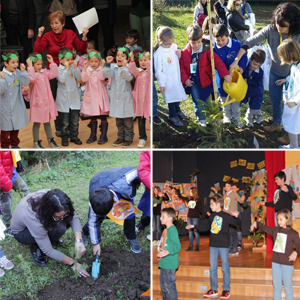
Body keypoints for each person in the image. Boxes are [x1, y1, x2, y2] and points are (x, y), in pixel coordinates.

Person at [229, 2, 300, 145]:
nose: (279, 28)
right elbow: (248, 42)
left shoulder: (298, 34)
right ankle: (277, 123)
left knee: (294, 107)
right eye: (277, 23)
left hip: (294, 75)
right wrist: (236, 61)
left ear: (292, 24)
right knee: (275, 100)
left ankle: (291, 135)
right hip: (276, 72)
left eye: (283, 25)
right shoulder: (271, 30)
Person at [11, 189, 89, 277]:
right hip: (23, 233)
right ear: (48, 212)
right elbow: (48, 250)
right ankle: (37, 247)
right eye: (58, 216)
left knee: (61, 225)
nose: (62, 218)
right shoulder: (33, 217)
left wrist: (79, 241)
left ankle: (48, 238)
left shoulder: (56, 198)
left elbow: (73, 218)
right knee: (58, 229)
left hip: (39, 223)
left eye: (64, 214)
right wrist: (72, 263)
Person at [34, 10, 88, 136]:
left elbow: (80, 48)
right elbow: (37, 51)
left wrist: (84, 36)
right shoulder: (47, 36)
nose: (54, 26)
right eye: (52, 23)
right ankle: (59, 127)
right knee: (55, 98)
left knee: (70, 97)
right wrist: (39, 35)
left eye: (56, 23)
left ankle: (70, 126)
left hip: (69, 70)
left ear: (63, 23)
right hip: (54, 71)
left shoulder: (70, 34)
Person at [186, 195, 240, 299]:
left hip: (223, 245)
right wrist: (194, 226)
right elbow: (207, 227)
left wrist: (236, 217)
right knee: (212, 268)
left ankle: (226, 289)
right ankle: (214, 289)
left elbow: (238, 225)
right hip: (213, 245)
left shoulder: (226, 216)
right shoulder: (212, 216)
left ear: (219, 204)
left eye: (212, 204)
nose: (210, 206)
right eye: (210, 204)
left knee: (225, 267)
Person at [82, 166, 142, 254]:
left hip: (119, 186)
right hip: (99, 182)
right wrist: (96, 244)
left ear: (114, 202)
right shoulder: (95, 201)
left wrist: (137, 182)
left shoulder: (125, 182)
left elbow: (135, 172)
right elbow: (93, 222)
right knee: (94, 219)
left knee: (129, 215)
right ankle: (85, 231)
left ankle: (131, 237)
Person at [180, 24, 231, 126]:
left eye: (199, 42)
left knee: (208, 99)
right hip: (192, 81)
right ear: (188, 39)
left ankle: (213, 117)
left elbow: (217, 62)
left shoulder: (207, 50)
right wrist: (185, 79)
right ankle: (201, 119)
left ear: (201, 38)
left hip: (205, 80)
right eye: (193, 43)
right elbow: (181, 67)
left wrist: (225, 74)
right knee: (197, 100)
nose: (196, 45)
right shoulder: (184, 53)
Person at [251, 209, 300, 300]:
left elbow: (299, 247)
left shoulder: (294, 233)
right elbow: (265, 227)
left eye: (281, 219)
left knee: (288, 287)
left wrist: (295, 252)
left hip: (287, 264)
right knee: (277, 287)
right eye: (277, 219)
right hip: (276, 263)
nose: (278, 222)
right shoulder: (276, 230)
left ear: (287, 219)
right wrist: (256, 223)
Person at [212, 24, 248, 127]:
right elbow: (215, 64)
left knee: (235, 98)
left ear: (228, 36)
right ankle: (226, 115)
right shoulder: (214, 49)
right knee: (224, 97)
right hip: (222, 79)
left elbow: (244, 57)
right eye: (218, 40)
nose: (220, 43)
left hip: (235, 79)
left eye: (223, 40)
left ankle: (236, 117)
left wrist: (241, 68)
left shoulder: (236, 44)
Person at [153, 26, 187, 127]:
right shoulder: (158, 54)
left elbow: (176, 58)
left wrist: (180, 54)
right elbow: (159, 71)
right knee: (171, 98)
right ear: (160, 41)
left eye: (171, 42)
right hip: (167, 80)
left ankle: (178, 111)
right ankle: (172, 115)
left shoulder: (172, 47)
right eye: (168, 43)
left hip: (175, 78)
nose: (170, 45)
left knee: (177, 96)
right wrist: (162, 83)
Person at [103, 47, 135, 148]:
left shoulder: (129, 67)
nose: (119, 57)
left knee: (128, 122)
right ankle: (120, 137)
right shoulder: (113, 67)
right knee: (119, 122)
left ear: (127, 59)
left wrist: (124, 67)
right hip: (117, 99)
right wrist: (107, 64)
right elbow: (106, 74)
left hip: (126, 99)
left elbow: (129, 78)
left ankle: (129, 139)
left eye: (122, 56)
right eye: (117, 55)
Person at [26, 53, 60, 149]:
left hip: (46, 103)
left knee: (47, 122)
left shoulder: (44, 72)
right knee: (37, 123)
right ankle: (36, 142)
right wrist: (29, 67)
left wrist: (52, 63)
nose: (40, 66)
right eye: (37, 64)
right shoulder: (30, 74)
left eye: (41, 64)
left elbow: (54, 74)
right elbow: (32, 79)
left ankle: (50, 140)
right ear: (32, 65)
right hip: (38, 104)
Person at [0, 51, 30, 149]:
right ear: (6, 63)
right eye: (13, 62)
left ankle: (14, 144)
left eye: (17, 61)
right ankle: (4, 146)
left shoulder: (18, 72)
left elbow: (25, 82)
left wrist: (23, 72)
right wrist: (3, 80)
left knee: (16, 127)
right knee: (6, 129)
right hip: (5, 107)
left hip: (16, 106)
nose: (16, 64)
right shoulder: (1, 74)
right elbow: (1, 91)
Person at [81, 51, 110, 145]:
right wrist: (84, 68)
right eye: (92, 61)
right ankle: (93, 135)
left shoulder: (101, 69)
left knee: (103, 116)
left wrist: (102, 67)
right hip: (91, 97)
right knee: (93, 117)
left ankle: (103, 136)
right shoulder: (87, 70)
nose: (93, 64)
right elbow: (84, 79)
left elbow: (102, 78)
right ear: (88, 61)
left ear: (100, 61)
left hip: (100, 96)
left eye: (96, 61)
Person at [276, 39, 300, 149]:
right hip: (293, 102)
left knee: (293, 126)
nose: (283, 60)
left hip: (296, 104)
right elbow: (295, 78)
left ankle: (294, 148)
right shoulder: (295, 65)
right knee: (294, 125)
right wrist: (286, 79)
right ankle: (295, 145)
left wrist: (295, 101)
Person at [56, 48, 82, 147]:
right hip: (63, 101)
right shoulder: (58, 70)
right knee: (64, 122)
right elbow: (62, 79)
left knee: (75, 121)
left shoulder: (73, 68)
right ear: (60, 60)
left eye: (71, 59)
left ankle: (74, 136)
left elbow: (79, 78)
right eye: (67, 60)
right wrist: (67, 69)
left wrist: (75, 68)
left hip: (74, 98)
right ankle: (65, 137)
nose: (70, 62)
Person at [212, 180, 245, 255]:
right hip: (226, 216)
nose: (226, 188)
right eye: (226, 186)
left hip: (232, 215)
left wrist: (243, 198)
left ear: (231, 187)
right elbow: (223, 204)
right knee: (228, 232)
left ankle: (235, 247)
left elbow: (241, 201)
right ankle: (230, 246)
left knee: (234, 232)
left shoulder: (234, 194)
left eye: (228, 186)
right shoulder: (225, 195)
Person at [157, 207, 181, 300]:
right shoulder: (166, 230)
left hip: (170, 264)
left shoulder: (172, 230)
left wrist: (167, 252)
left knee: (169, 287)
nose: (160, 218)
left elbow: (177, 247)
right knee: (163, 286)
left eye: (163, 216)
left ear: (170, 218)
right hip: (164, 263)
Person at [175, 186, 208, 252]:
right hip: (189, 217)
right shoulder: (189, 198)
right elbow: (181, 196)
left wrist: (206, 214)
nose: (189, 192)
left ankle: (197, 246)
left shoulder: (198, 200)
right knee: (190, 232)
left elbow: (201, 209)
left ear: (194, 192)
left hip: (195, 218)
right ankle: (190, 246)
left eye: (190, 191)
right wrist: (177, 190)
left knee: (196, 232)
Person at [128, 51, 151, 148]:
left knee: (150, 119)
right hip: (140, 101)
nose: (143, 62)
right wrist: (132, 59)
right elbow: (132, 69)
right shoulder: (138, 72)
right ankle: (142, 138)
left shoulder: (149, 72)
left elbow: (150, 69)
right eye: (141, 60)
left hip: (148, 101)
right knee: (140, 120)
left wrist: (148, 59)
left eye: (145, 60)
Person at [241, 49, 266, 127]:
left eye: (259, 65)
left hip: (256, 92)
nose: (256, 67)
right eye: (254, 64)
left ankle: (249, 119)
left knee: (253, 107)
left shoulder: (260, 72)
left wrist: (247, 81)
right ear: (250, 59)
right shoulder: (245, 66)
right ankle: (257, 115)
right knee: (245, 102)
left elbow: (257, 83)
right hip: (247, 91)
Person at [247, 27, 271, 91]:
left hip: (263, 65)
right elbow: (250, 57)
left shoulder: (264, 46)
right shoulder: (253, 47)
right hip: (255, 66)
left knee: (262, 79)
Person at [136, 151, 151, 237]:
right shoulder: (146, 152)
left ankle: (155, 233)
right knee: (146, 211)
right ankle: (143, 223)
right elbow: (143, 169)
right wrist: (152, 185)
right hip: (150, 190)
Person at [0, 151, 13, 237]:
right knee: (6, 202)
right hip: (3, 178)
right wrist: (6, 184)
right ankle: (8, 227)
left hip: (8, 174)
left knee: (8, 201)